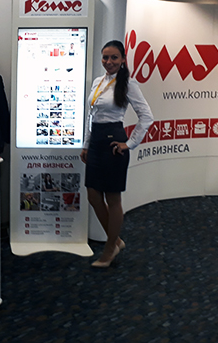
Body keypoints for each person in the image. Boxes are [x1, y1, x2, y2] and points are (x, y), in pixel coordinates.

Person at [80, 40, 153, 268]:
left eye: (114, 57)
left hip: (113, 143)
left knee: (113, 199)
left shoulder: (128, 84)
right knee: (93, 196)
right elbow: (91, 115)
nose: (109, 61)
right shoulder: (98, 81)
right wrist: (86, 144)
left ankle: (110, 247)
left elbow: (147, 116)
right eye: (105, 57)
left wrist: (129, 144)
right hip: (96, 141)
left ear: (122, 59)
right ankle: (116, 240)